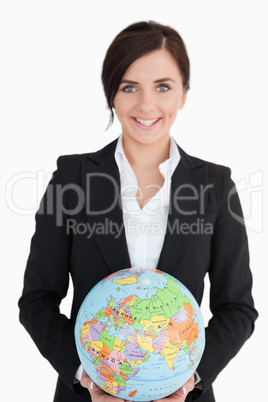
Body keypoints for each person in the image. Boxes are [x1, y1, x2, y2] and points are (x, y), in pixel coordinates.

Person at [18, 21, 258, 402]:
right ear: (111, 93)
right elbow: (37, 300)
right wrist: (87, 376)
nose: (147, 104)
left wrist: (188, 380)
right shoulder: (72, 178)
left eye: (163, 86)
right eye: (129, 87)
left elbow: (237, 308)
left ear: (183, 95)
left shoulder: (215, 184)